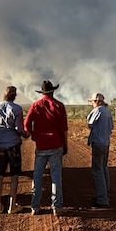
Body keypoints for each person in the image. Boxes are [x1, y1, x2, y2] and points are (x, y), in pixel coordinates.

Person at [24, 80, 68, 216]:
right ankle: (57, 207)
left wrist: (33, 135)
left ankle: (35, 206)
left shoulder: (36, 105)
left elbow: (26, 124)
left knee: (37, 176)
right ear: (53, 91)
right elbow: (64, 129)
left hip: (42, 146)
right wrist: (65, 145)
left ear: (42, 92)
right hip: (56, 145)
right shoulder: (59, 106)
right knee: (56, 177)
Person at [0, 86, 29, 215]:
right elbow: (19, 129)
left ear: (4, 95)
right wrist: (26, 135)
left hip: (0, 147)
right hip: (13, 145)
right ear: (14, 96)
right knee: (14, 176)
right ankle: (12, 206)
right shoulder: (17, 109)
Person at [86, 92, 114, 208]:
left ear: (96, 101)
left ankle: (102, 200)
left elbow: (89, 124)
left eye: (92, 101)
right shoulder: (108, 111)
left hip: (98, 143)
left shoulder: (97, 111)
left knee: (98, 171)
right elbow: (112, 127)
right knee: (104, 169)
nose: (92, 103)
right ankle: (104, 194)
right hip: (106, 143)